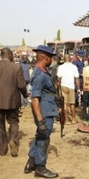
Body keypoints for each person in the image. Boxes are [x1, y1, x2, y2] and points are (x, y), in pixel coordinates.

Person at [24, 45, 58, 178]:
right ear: (46, 57)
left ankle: (31, 162)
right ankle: (40, 167)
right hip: (44, 112)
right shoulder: (40, 75)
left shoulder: (42, 72)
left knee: (40, 136)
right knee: (44, 139)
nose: (52, 60)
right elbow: (34, 99)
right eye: (51, 57)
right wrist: (40, 120)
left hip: (47, 108)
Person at [0, 47, 27, 157]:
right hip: (12, 101)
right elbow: (21, 85)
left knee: (0, 126)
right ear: (10, 56)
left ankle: (2, 149)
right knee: (13, 122)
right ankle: (13, 140)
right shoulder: (16, 67)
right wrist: (25, 94)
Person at [57, 55, 81, 124]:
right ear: (70, 59)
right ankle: (73, 119)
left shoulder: (61, 67)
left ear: (64, 59)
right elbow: (77, 78)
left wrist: (58, 85)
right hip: (71, 86)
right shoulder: (74, 67)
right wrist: (78, 88)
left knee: (65, 104)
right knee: (72, 103)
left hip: (63, 86)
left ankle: (67, 120)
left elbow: (58, 78)